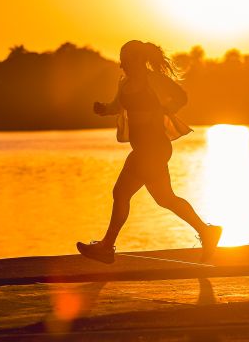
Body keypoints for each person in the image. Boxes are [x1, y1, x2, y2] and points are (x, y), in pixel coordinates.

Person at [77, 40, 222, 264]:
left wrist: (164, 110)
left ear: (137, 59)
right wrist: (104, 109)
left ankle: (106, 246)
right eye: (121, 57)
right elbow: (118, 106)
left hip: (153, 147)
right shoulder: (124, 83)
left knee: (121, 193)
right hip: (144, 148)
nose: (121, 62)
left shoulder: (153, 80)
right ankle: (207, 231)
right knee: (165, 198)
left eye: (125, 57)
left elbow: (181, 97)